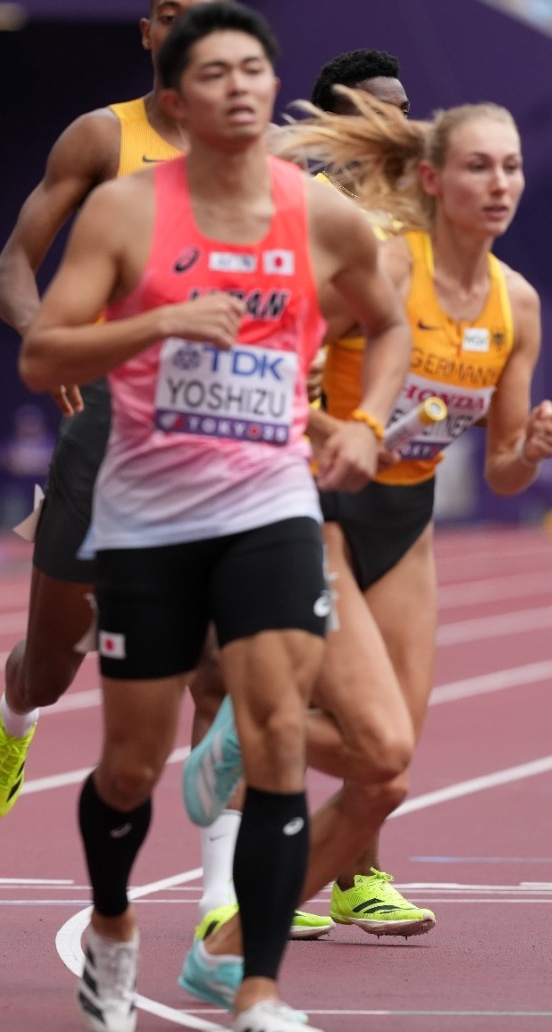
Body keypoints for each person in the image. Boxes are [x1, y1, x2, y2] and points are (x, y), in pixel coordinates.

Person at [17, 5, 410, 1030]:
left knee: (276, 736)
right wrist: (159, 321)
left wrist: (367, 423)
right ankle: (113, 927)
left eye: (254, 71)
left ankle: (257, 988)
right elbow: (43, 353)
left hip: (270, 501)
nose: (239, 87)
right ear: (177, 97)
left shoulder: (319, 215)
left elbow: (389, 322)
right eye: (215, 73)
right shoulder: (126, 213)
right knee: (130, 766)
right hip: (150, 512)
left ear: (275, 91)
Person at [194, 89, 547, 957]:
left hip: (405, 521)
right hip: (322, 506)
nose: (500, 184)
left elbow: (502, 473)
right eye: (478, 166)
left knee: (384, 777)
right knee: (369, 746)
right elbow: (265, 360)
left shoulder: (517, 304)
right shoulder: (385, 267)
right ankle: (247, 752)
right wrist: (333, 425)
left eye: (511, 167)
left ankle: (236, 943)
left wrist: (534, 447)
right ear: (430, 179)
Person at [0, 0, 253, 931]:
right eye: (171, 12)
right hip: (104, 428)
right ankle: (14, 719)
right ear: (147, 31)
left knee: (217, 668)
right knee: (52, 666)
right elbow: (12, 270)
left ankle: (218, 894)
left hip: (212, 438)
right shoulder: (103, 138)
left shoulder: (261, 159)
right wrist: (49, 336)